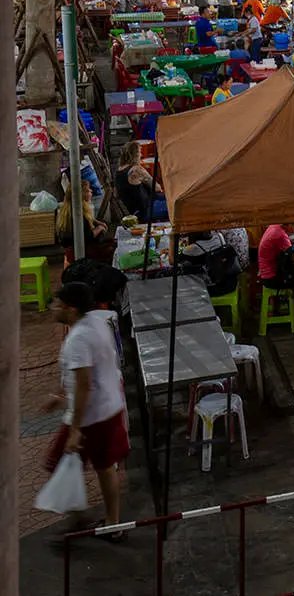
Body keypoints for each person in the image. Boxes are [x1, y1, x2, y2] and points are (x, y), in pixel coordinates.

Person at [42, 281, 130, 534]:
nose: (52, 309)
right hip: (105, 407)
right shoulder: (95, 322)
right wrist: (60, 395)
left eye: (57, 304)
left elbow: (84, 385)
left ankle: (107, 523)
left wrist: (75, 430)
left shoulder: (79, 338)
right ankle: (107, 521)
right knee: (103, 467)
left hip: (92, 416)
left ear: (70, 308)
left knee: (64, 464)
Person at [56, 178, 109, 265]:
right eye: (88, 190)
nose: (91, 192)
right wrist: (99, 228)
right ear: (82, 194)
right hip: (80, 250)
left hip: (71, 248)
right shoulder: (78, 214)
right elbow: (88, 236)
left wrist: (96, 222)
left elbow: (89, 219)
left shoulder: (68, 207)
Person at [114, 141, 159, 222]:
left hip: (133, 211)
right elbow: (157, 188)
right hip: (145, 212)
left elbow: (117, 194)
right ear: (135, 155)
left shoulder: (119, 171)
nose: (141, 155)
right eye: (139, 153)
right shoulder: (136, 170)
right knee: (174, 206)